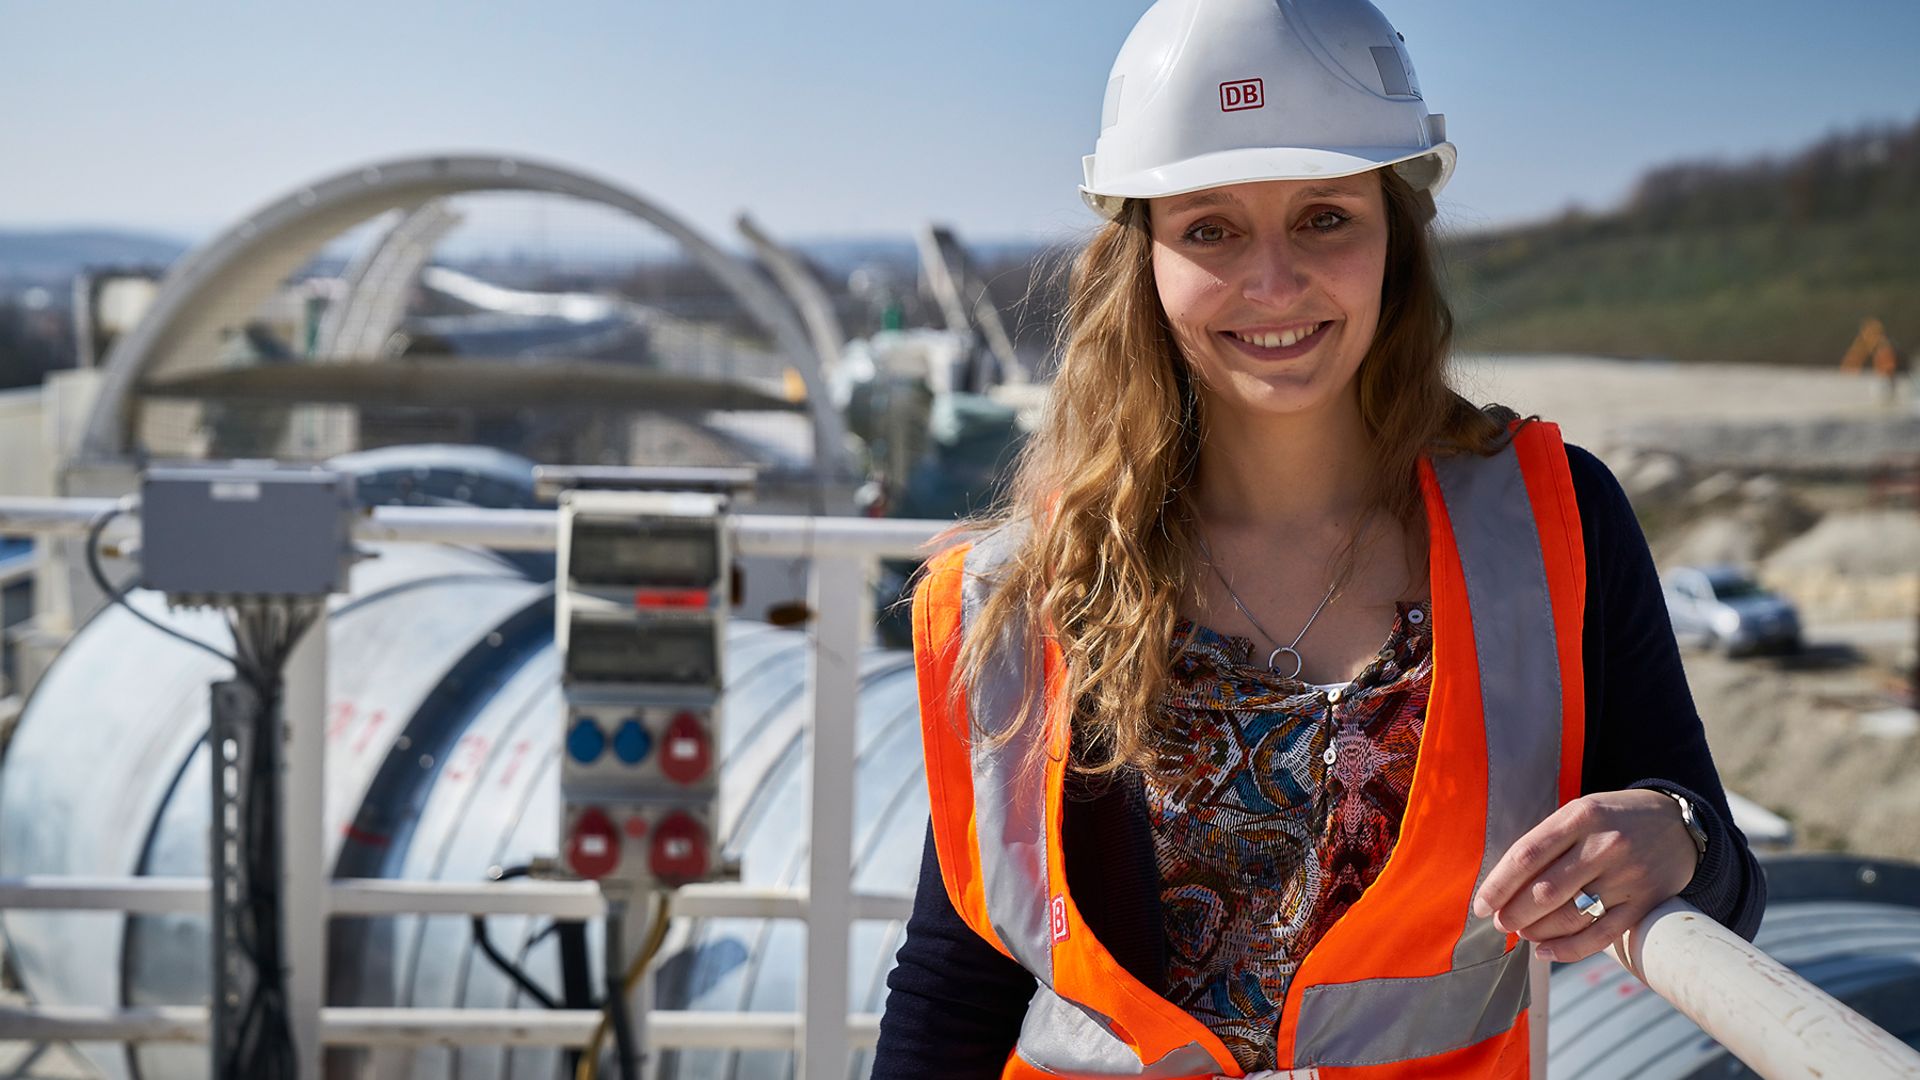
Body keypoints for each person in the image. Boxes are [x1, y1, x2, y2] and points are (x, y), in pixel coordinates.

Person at [873, 0, 1766, 1076]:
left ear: (1395, 237)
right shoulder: (1039, 587)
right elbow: (958, 980)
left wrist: (1675, 831)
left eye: (1325, 217)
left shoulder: (1552, 528)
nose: (1273, 282)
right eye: (1211, 229)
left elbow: (1720, 873)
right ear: (1143, 259)